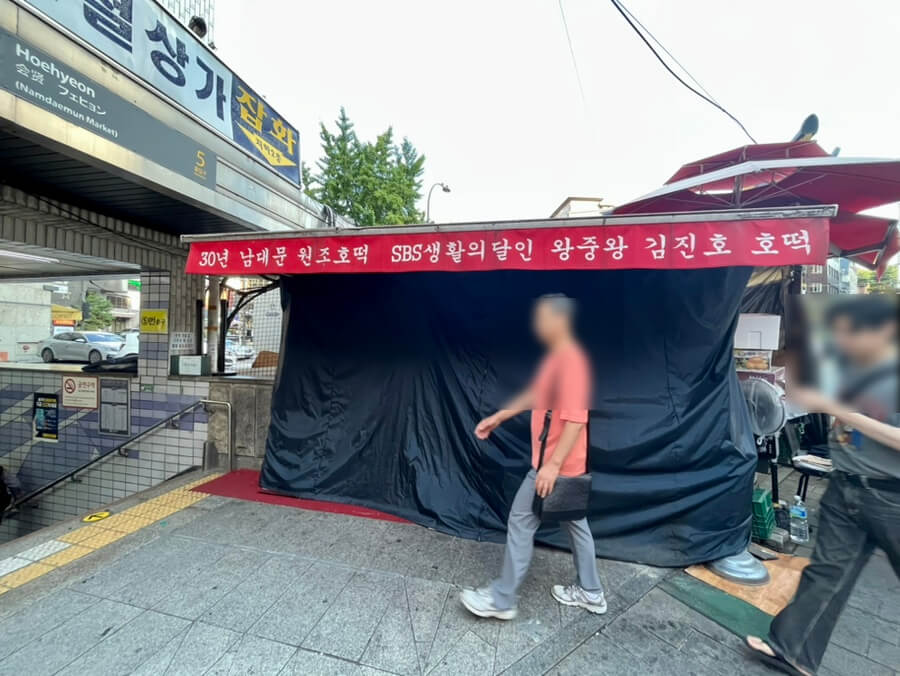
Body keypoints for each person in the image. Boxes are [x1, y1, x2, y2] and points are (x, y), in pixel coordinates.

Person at [746, 295, 900, 676]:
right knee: (827, 572)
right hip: (845, 488)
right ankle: (792, 650)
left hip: (891, 495)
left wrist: (840, 412)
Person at [459, 293, 606, 620]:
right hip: (560, 465)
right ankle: (591, 592)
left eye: (542, 318)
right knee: (576, 524)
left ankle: (502, 599)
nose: (537, 324)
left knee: (521, 522)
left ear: (559, 320)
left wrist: (552, 466)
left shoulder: (573, 362)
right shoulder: (559, 358)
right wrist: (500, 416)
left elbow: (576, 418)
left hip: (556, 466)